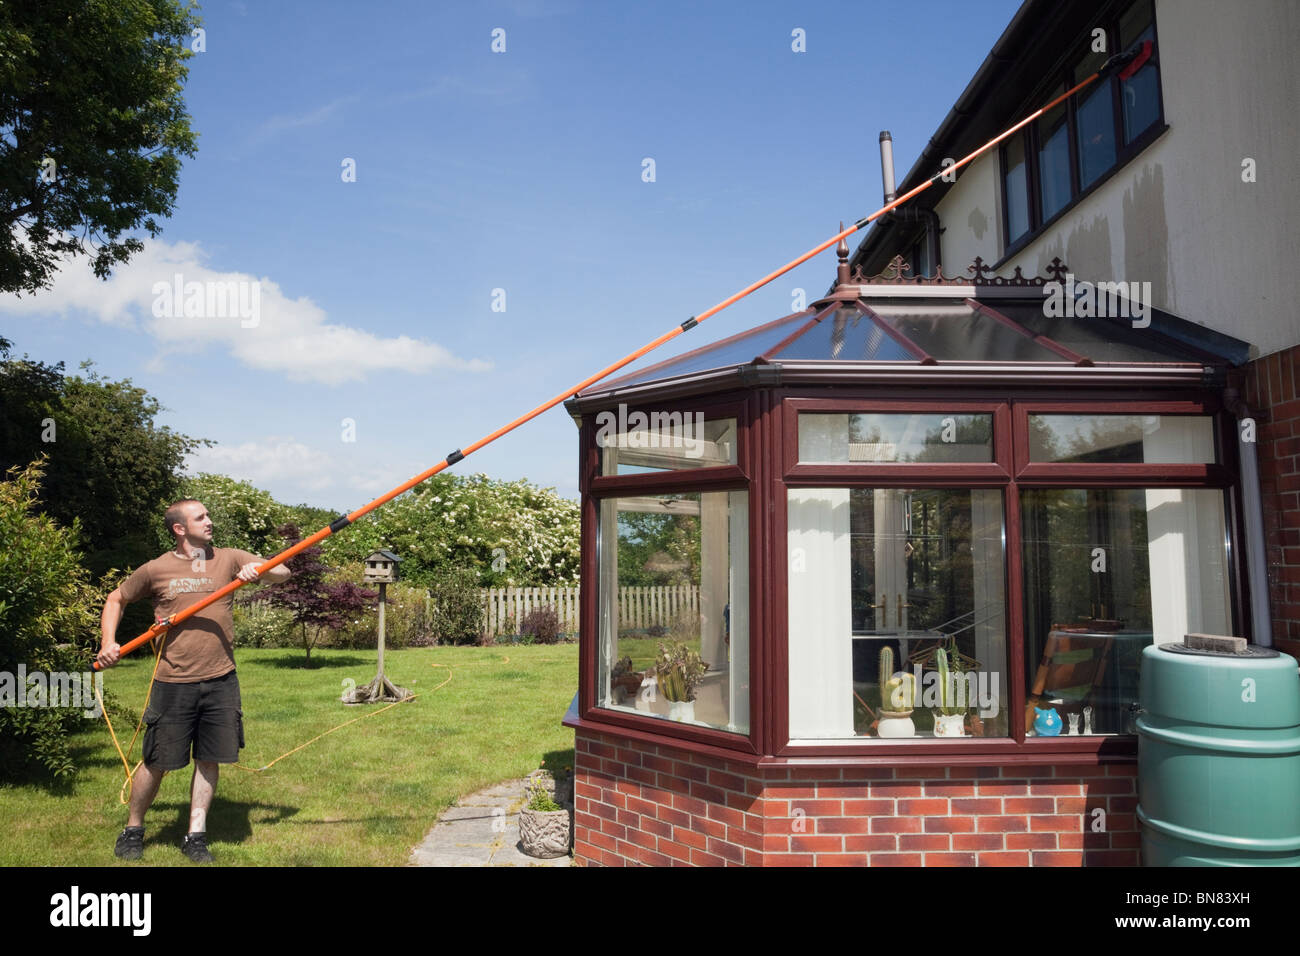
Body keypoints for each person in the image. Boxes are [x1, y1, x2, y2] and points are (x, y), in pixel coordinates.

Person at [97, 499, 291, 863]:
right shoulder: (157, 569)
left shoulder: (229, 558)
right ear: (179, 529)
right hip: (173, 681)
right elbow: (116, 598)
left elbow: (283, 572)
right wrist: (109, 643)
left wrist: (259, 572)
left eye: (208, 514)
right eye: (200, 517)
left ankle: (195, 835)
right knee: (157, 760)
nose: (210, 521)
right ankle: (134, 828)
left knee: (209, 758)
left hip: (221, 679)